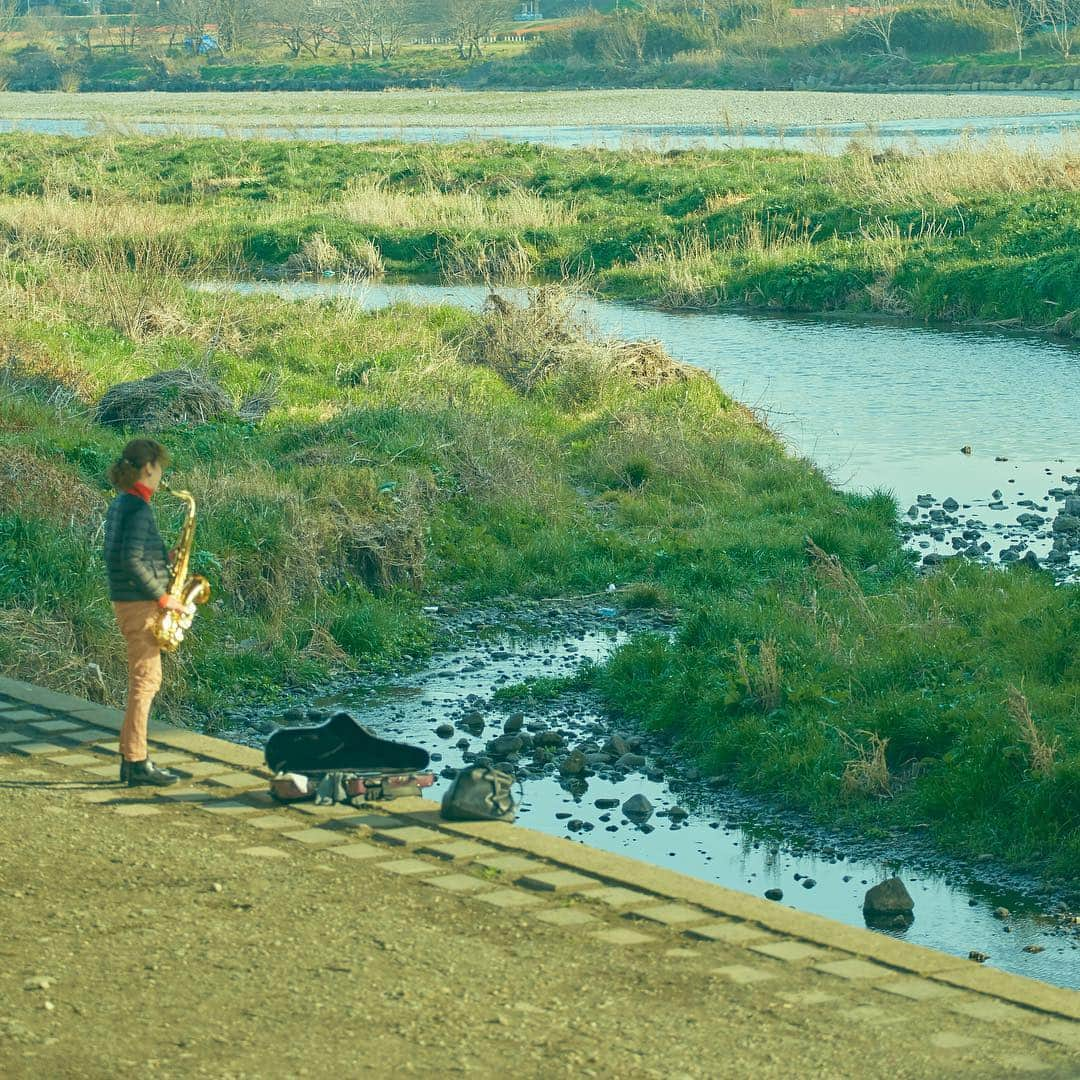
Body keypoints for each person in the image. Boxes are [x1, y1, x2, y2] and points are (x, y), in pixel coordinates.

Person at [104, 438, 187, 787]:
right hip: (140, 606)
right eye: (159, 469)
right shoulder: (138, 508)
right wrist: (163, 597)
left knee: (144, 681)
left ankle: (130, 759)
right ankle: (137, 763)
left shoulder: (121, 504)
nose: (161, 476)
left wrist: (164, 560)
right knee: (146, 682)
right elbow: (130, 560)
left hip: (127, 601)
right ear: (148, 468)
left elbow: (121, 555)